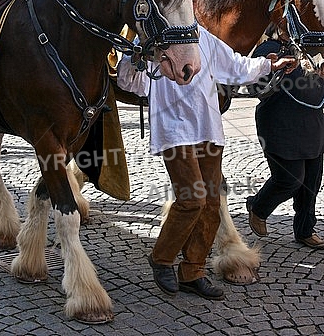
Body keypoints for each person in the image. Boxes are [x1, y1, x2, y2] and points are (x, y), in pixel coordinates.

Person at [117, 26, 297, 300]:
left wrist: (268, 64)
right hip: (175, 132)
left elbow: (234, 64)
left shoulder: (202, 36)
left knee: (212, 203)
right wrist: (135, 57)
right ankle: (162, 258)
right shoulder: (151, 39)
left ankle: (192, 270)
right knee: (193, 200)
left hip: (207, 129)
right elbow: (128, 82)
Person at [246, 37, 324, 249]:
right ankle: (258, 207)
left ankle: (305, 230)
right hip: (281, 125)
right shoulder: (270, 48)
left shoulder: (318, 50)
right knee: (289, 179)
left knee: (311, 183)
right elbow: (257, 86)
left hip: (313, 125)